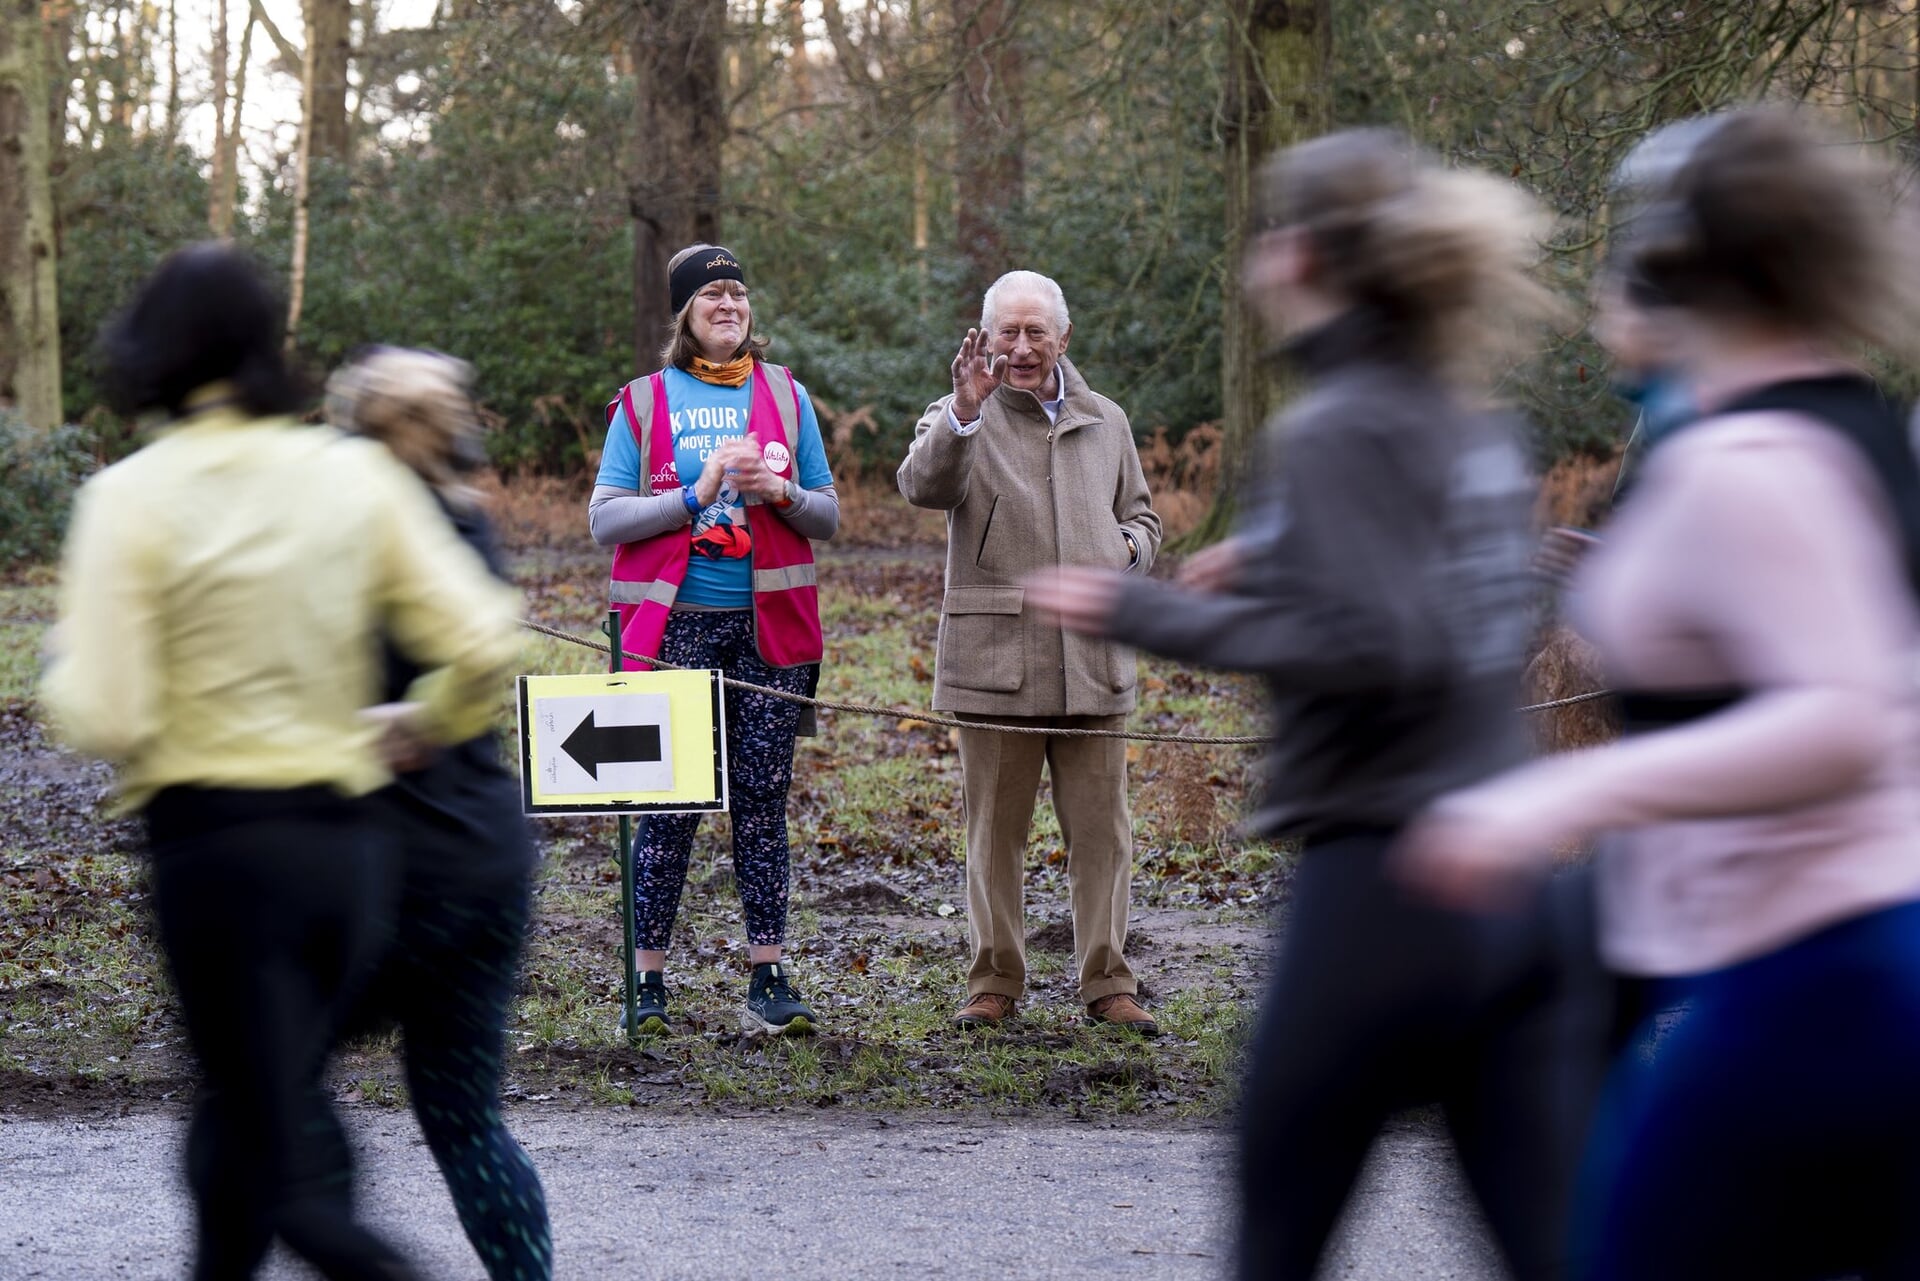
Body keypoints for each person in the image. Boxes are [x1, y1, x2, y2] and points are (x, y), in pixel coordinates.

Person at [1026, 132, 1601, 1280]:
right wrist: (1282, 553)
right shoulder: (1467, 421)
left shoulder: (1336, 426)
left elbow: (1373, 642)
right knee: (1554, 1250)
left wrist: (1136, 611)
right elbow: (1430, 592)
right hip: (1512, 891)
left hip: (1384, 890)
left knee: (1279, 1236)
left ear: (1300, 257)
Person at [1397, 108, 1920, 1281]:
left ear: (1687, 279)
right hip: (1825, 952)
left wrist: (1550, 803)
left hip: (1811, 978)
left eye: (1622, 265)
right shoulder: (1840, 435)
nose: (1596, 298)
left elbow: (1843, 719)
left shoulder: (1750, 468)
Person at [41, 244, 521, 1281]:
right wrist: (424, 721)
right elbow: (487, 641)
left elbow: (109, 707)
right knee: (239, 1131)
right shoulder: (348, 478)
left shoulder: (128, 497)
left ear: (153, 354)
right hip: (346, 859)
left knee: (288, 1177)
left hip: (215, 859)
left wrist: (64, 670)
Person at [324, 348, 552, 1281]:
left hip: (382, 871)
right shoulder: (469, 528)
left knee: (267, 1083)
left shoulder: (349, 536)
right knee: (466, 1119)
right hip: (486, 855)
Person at [896, 269, 1163, 1033]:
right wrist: (963, 413)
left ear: (1063, 337)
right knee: (993, 838)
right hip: (995, 666)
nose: (1020, 347)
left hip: (1092, 661)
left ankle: (1108, 984)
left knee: (1105, 837)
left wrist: (1123, 551)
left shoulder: (1107, 420)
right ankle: (994, 982)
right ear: (982, 339)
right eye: (1005, 332)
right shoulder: (957, 417)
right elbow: (921, 485)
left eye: (1034, 332)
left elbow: (1142, 520)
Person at [589, 243, 839, 1037]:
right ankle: (648, 984)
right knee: (670, 806)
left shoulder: (787, 395)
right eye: (710, 295)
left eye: (737, 291)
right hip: (674, 631)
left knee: (762, 803)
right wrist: (691, 498)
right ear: (685, 314)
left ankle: (768, 976)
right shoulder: (643, 401)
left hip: (771, 633)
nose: (727, 304)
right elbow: (604, 519)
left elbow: (828, 515)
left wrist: (783, 492)